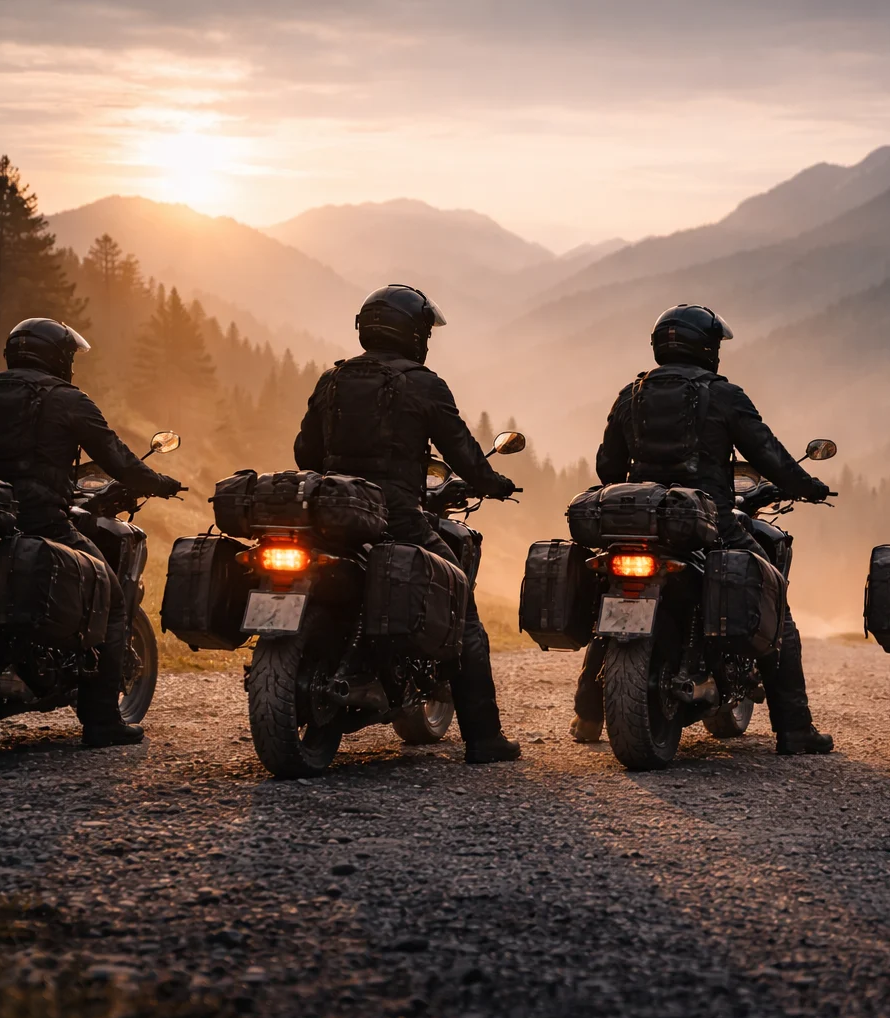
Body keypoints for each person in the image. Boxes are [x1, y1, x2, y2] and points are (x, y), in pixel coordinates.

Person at [570, 304, 835, 755]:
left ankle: (588, 717)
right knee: (774, 604)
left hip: (641, 521)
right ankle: (794, 730)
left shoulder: (631, 393)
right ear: (708, 348)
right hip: (709, 518)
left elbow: (607, 467)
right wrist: (808, 486)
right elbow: (767, 452)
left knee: (613, 611)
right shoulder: (725, 395)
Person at [294, 284, 522, 764]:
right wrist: (495, 482)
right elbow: (463, 453)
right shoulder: (423, 384)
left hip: (329, 513)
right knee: (463, 612)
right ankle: (484, 740)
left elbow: (305, 454)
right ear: (414, 332)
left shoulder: (332, 379)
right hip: (395, 515)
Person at [0, 318, 182, 748]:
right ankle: (102, 722)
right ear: (56, 356)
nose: (72, 363)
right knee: (110, 597)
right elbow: (116, 457)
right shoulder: (67, 399)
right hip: (42, 518)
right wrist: (160, 483)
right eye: (70, 355)